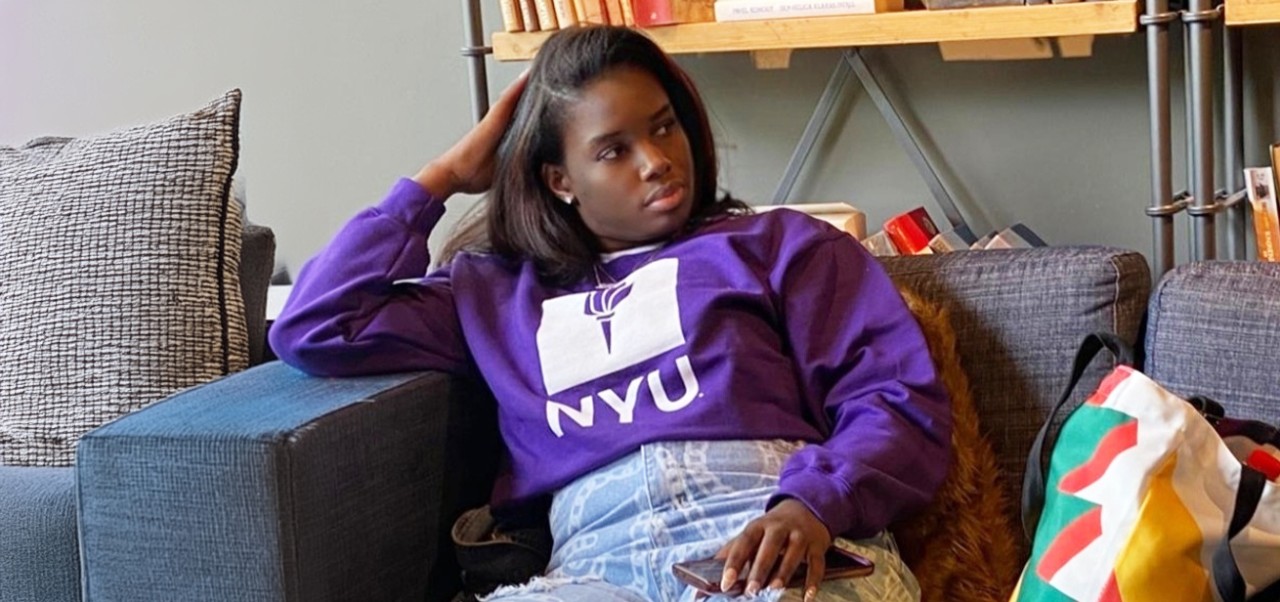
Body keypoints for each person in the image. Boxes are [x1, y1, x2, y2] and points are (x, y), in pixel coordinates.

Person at [270, 25, 952, 602]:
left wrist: (813, 504)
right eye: (613, 149)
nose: (656, 161)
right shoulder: (496, 293)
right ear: (560, 180)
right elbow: (317, 324)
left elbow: (893, 398)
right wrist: (440, 178)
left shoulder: (779, 246)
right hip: (593, 569)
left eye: (663, 128)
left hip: (771, 542)